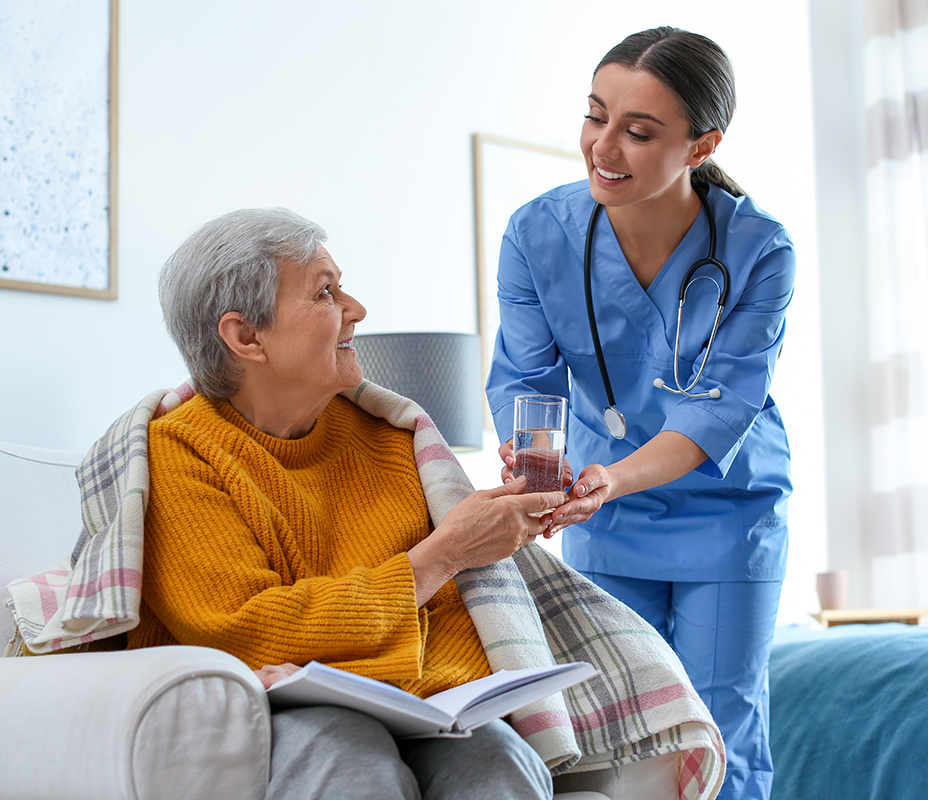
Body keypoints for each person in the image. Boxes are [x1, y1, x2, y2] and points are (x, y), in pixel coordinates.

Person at [133, 207, 564, 800]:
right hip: (269, 708)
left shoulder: (390, 442)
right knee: (346, 751)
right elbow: (244, 633)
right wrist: (441, 556)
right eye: (326, 292)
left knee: (496, 757)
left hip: (419, 699)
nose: (356, 310)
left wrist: (492, 527)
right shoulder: (179, 455)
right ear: (245, 337)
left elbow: (458, 619)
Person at [486, 27, 794, 800]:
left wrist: (604, 481)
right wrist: (537, 468)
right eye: (596, 117)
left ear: (701, 145)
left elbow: (720, 410)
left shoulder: (759, 249)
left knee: (719, 725)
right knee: (618, 730)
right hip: (602, 512)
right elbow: (525, 379)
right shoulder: (537, 234)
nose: (603, 146)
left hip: (726, 512)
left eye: (639, 130)